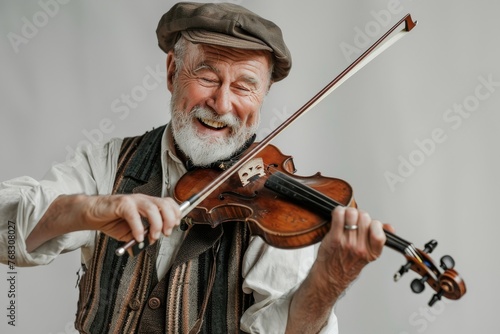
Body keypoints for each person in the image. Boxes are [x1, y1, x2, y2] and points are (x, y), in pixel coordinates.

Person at [0, 2, 389, 333]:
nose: (221, 104)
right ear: (172, 73)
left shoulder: (276, 205)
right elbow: (7, 233)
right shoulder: (108, 164)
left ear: (263, 95)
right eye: (207, 77)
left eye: (244, 87)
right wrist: (90, 210)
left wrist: (327, 281)